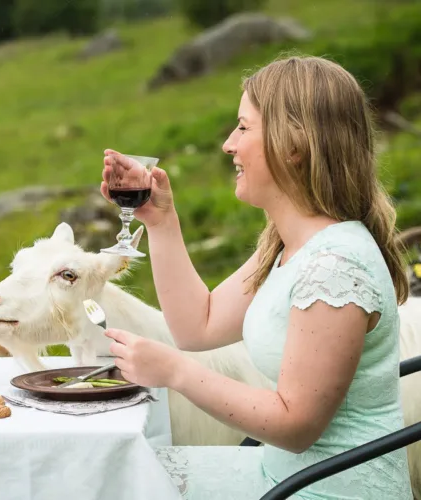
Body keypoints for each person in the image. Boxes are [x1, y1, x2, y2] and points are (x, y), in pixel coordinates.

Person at [100, 55, 413, 499]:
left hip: (326, 491)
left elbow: (294, 425)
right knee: (115, 478)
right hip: (285, 476)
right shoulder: (294, 245)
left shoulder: (335, 267)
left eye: (244, 128)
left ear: (293, 145)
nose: (228, 144)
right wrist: (160, 220)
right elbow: (197, 326)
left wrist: (175, 372)